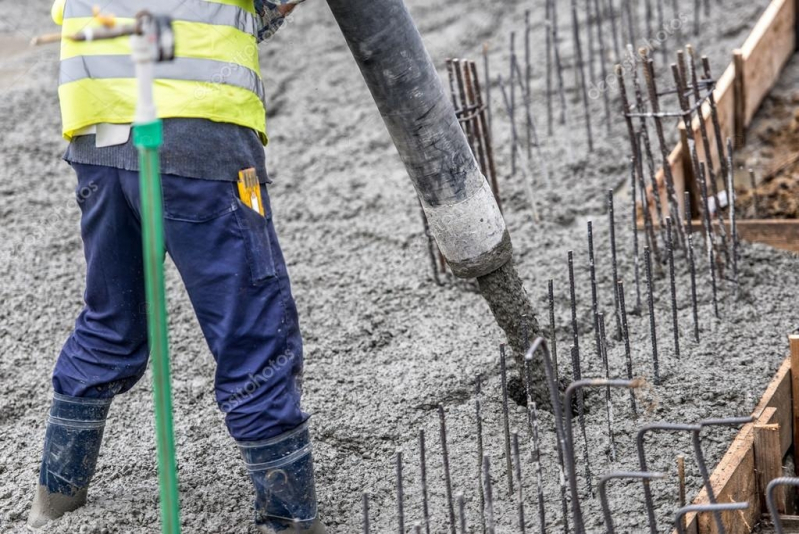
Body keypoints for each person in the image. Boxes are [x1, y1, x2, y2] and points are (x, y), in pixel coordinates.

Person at [28, 1, 326, 533]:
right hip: (198, 133)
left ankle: (55, 499)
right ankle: (291, 520)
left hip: (96, 133)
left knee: (110, 321)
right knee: (253, 331)